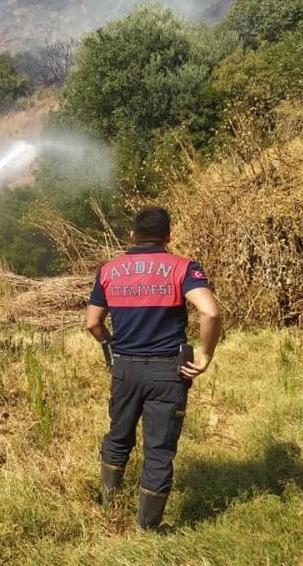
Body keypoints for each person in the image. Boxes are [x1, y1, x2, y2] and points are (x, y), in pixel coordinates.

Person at [86, 206, 221, 530]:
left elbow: (92, 323)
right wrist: (204, 356)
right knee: (159, 450)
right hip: (167, 372)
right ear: (168, 237)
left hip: (125, 369)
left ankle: (109, 506)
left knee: (118, 437)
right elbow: (211, 313)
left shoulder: (109, 270)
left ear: (131, 235)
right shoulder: (183, 267)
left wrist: (111, 351)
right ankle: (147, 528)